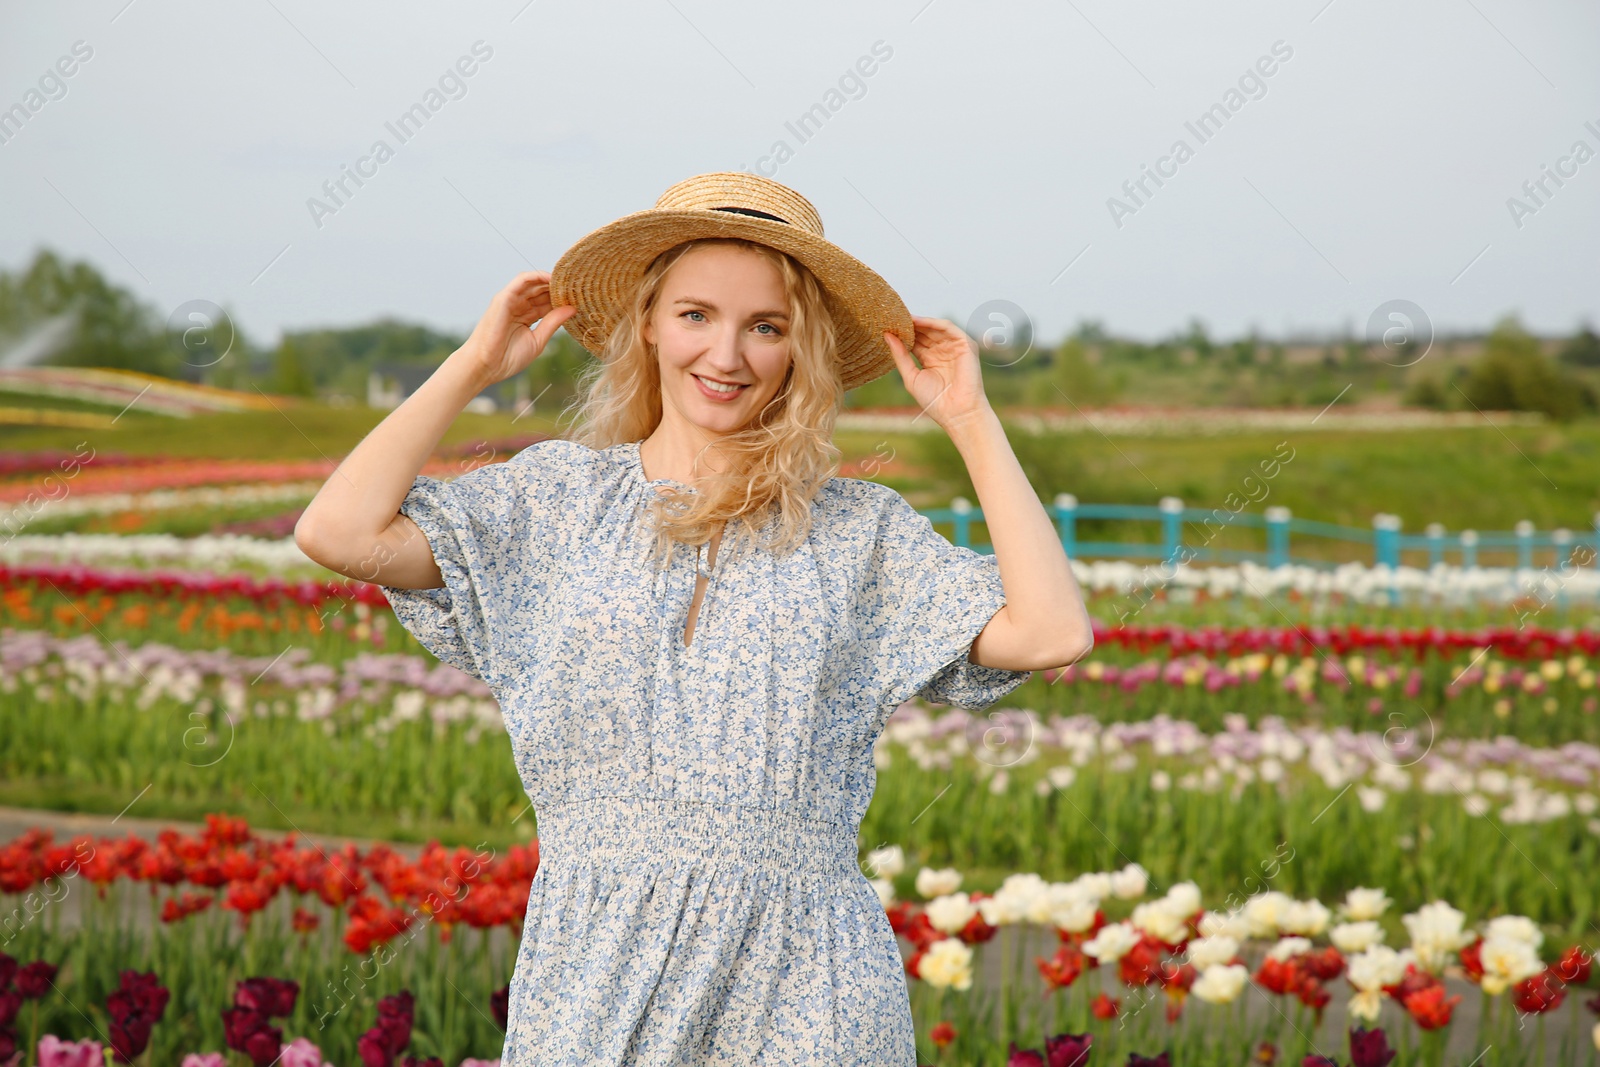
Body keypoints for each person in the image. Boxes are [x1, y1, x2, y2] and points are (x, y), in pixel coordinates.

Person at [294, 172, 1094, 1067]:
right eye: (696, 315)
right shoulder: (555, 503)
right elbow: (337, 531)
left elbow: (1052, 631)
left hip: (809, 982)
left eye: (767, 326)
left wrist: (971, 419)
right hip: (596, 966)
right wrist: (474, 364)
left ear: (802, 349)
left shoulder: (856, 533)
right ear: (646, 322)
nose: (728, 354)